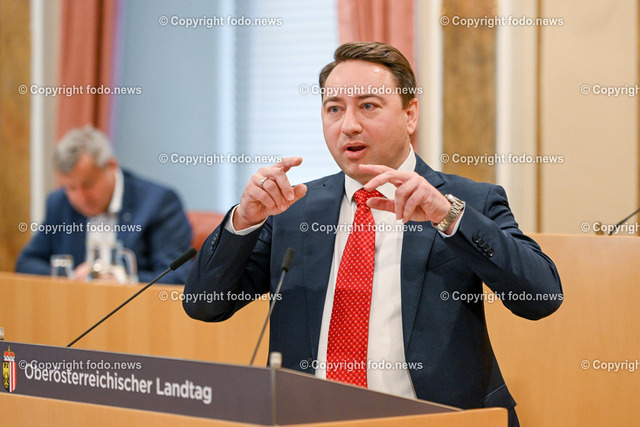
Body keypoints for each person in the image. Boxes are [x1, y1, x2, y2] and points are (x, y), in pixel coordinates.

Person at [183, 42, 562, 426]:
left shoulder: (466, 201)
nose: (348, 125)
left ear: (410, 115)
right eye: (334, 109)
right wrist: (244, 220)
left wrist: (448, 216)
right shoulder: (292, 209)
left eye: (368, 106)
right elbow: (203, 304)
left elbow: (541, 297)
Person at [16, 126, 193, 284]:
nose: (81, 197)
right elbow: (27, 263)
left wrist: (124, 281)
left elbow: (177, 275)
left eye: (88, 184)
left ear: (111, 166)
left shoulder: (158, 202)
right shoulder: (59, 203)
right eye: (71, 187)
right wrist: (69, 276)